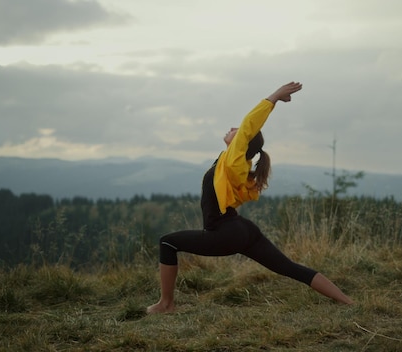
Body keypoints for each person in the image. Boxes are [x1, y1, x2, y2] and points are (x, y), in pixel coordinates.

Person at [147, 82, 354, 314]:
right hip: (241, 230)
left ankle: (166, 304)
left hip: (224, 233)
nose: (234, 127)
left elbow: (248, 125)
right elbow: (245, 132)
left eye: (238, 131)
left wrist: (274, 97)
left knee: (167, 242)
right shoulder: (236, 164)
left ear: (242, 142)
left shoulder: (236, 161)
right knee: (289, 268)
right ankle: (349, 303)